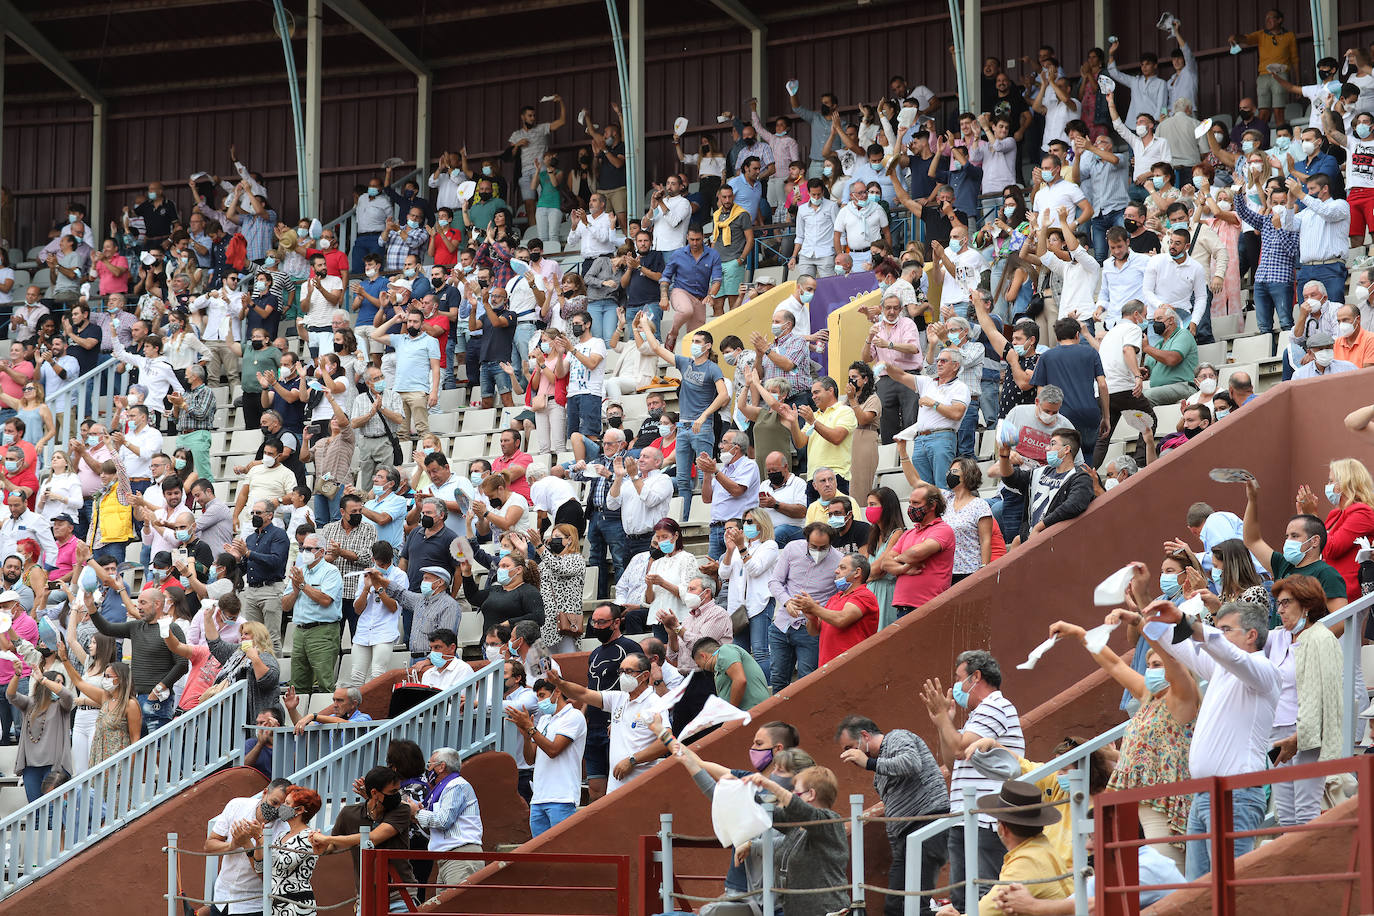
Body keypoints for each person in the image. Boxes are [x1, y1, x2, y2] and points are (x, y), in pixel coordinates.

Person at [1050, 610, 1196, 869]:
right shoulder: (1149, 697)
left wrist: (1139, 623)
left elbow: (1172, 658)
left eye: (1157, 665)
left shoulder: (1183, 698)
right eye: (1148, 665)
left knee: (1163, 875)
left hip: (1163, 805)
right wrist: (1080, 634)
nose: (1151, 670)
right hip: (1133, 802)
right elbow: (1114, 664)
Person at [1146, 596, 1279, 880]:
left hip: (1236, 795)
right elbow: (1178, 644)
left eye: (1226, 629)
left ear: (1251, 635)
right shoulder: (1221, 670)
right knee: (1200, 893)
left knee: (1231, 890)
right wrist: (1146, 605)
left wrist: (1187, 622)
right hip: (1205, 795)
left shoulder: (1265, 671)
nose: (1218, 635)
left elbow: (1226, 653)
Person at [921, 650, 1024, 913]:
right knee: (961, 895)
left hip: (985, 816)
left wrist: (944, 719)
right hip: (964, 816)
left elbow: (958, 749)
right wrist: (942, 723)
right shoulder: (977, 715)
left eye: (959, 678)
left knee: (983, 893)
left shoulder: (996, 706)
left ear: (976, 677)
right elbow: (953, 760)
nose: (955, 686)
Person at [545, 653, 667, 793]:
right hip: (615, 788)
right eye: (620, 671)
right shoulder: (618, 698)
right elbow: (583, 694)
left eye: (628, 671)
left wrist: (632, 760)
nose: (623, 676)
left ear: (645, 675)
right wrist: (560, 683)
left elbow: (665, 741)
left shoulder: (655, 703)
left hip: (641, 787)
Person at [738, 766, 851, 916]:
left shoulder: (830, 822)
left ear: (811, 794)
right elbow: (768, 812)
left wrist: (769, 785)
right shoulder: (797, 826)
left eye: (796, 792)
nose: (792, 794)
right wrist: (742, 789)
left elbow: (799, 808)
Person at [314, 766, 417, 911]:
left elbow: (373, 838)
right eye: (393, 792)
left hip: (399, 894)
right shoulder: (349, 813)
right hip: (366, 896)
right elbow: (333, 846)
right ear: (374, 793)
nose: (397, 795)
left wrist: (328, 839)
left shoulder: (402, 810)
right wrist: (321, 847)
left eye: (398, 790)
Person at [1241, 477, 1349, 611]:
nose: (1288, 541)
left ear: (1314, 541)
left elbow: (1340, 621)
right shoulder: (1283, 565)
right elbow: (1252, 540)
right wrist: (1252, 500)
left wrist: (1308, 633)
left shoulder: (1326, 574)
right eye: (1287, 536)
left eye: (1295, 536)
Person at [768, 521, 840, 692]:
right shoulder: (792, 549)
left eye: (824, 548)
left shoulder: (839, 560)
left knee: (808, 681)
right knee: (778, 679)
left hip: (811, 629)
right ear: (806, 540)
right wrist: (787, 601)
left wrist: (815, 610)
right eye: (814, 546)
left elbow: (838, 597)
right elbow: (775, 581)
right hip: (782, 625)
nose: (818, 551)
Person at [206, 779, 293, 916]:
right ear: (265, 793)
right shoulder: (237, 805)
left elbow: (268, 877)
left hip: (252, 906)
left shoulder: (285, 830)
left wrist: (248, 845)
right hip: (221, 898)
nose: (276, 810)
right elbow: (209, 845)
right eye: (274, 803)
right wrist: (232, 845)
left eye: (282, 808)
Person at [888, 349, 968, 487]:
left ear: (955, 366)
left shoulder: (960, 387)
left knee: (943, 487)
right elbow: (900, 375)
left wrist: (934, 403)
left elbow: (957, 413)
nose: (939, 364)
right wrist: (886, 366)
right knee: (923, 489)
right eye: (938, 361)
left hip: (942, 437)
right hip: (920, 440)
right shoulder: (927, 382)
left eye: (944, 361)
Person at [1297, 458, 1374, 602]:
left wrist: (1312, 517)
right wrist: (1305, 519)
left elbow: (1332, 548)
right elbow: (1315, 547)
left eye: (1331, 481)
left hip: (1345, 593)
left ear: (1345, 483)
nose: (1327, 485)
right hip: (1324, 587)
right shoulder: (1335, 514)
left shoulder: (1363, 513)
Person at [281, 532, 343, 698]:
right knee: (298, 683)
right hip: (300, 631)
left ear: (321, 552)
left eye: (309, 549)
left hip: (322, 631)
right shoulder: (299, 571)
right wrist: (295, 589)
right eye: (302, 548)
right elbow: (285, 606)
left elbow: (325, 600)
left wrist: (302, 585)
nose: (304, 552)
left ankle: (328, 719)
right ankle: (298, 720)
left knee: (325, 682)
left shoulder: (331, 572)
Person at [789, 551, 879, 665]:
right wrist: (812, 618)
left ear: (857, 572)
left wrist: (814, 608)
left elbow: (841, 619)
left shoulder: (865, 595)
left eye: (842, 568)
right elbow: (814, 632)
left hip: (852, 667)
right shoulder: (835, 598)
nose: (836, 571)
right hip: (828, 667)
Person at [886, 483, 956, 618]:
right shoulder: (908, 533)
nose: (911, 507)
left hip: (928, 608)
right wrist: (904, 569)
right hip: (903, 608)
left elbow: (916, 553)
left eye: (916, 503)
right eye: (910, 502)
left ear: (932, 506)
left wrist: (897, 559)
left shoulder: (942, 530)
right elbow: (885, 563)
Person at [269, 786, 324, 916]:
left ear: (299, 810)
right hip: (274, 904)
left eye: (287, 803)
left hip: (297, 905)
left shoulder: (309, 836)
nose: (282, 806)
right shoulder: (282, 835)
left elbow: (283, 863)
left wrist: (261, 839)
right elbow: (264, 865)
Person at [692, 634, 770, 710]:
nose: (701, 668)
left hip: (753, 712)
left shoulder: (725, 650)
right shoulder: (719, 667)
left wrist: (731, 712)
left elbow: (740, 680)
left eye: (699, 665)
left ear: (703, 656)